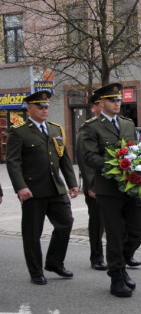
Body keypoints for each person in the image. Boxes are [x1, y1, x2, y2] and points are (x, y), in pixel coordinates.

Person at [77, 83, 141, 297]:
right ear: (101, 103)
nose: (117, 103)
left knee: (138, 230)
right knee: (115, 234)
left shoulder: (127, 123)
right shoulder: (91, 127)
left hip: (130, 186)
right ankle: (116, 277)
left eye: (118, 100)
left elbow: (135, 150)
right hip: (108, 188)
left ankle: (121, 264)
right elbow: (89, 156)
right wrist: (115, 166)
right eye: (112, 100)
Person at [6, 91, 79, 285]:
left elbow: (64, 158)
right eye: (40, 106)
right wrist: (20, 187)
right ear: (29, 108)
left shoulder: (55, 129)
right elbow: (13, 162)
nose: (44, 110)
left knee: (66, 223)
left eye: (46, 107)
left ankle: (54, 262)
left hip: (56, 188)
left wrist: (72, 183)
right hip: (33, 191)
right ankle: (36, 271)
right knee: (32, 233)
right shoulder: (19, 131)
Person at [76, 100, 108, 271]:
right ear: (94, 108)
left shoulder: (117, 125)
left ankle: (126, 254)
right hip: (95, 183)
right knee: (97, 220)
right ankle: (97, 256)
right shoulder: (88, 128)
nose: (104, 107)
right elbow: (84, 159)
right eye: (99, 104)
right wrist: (91, 184)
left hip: (114, 183)